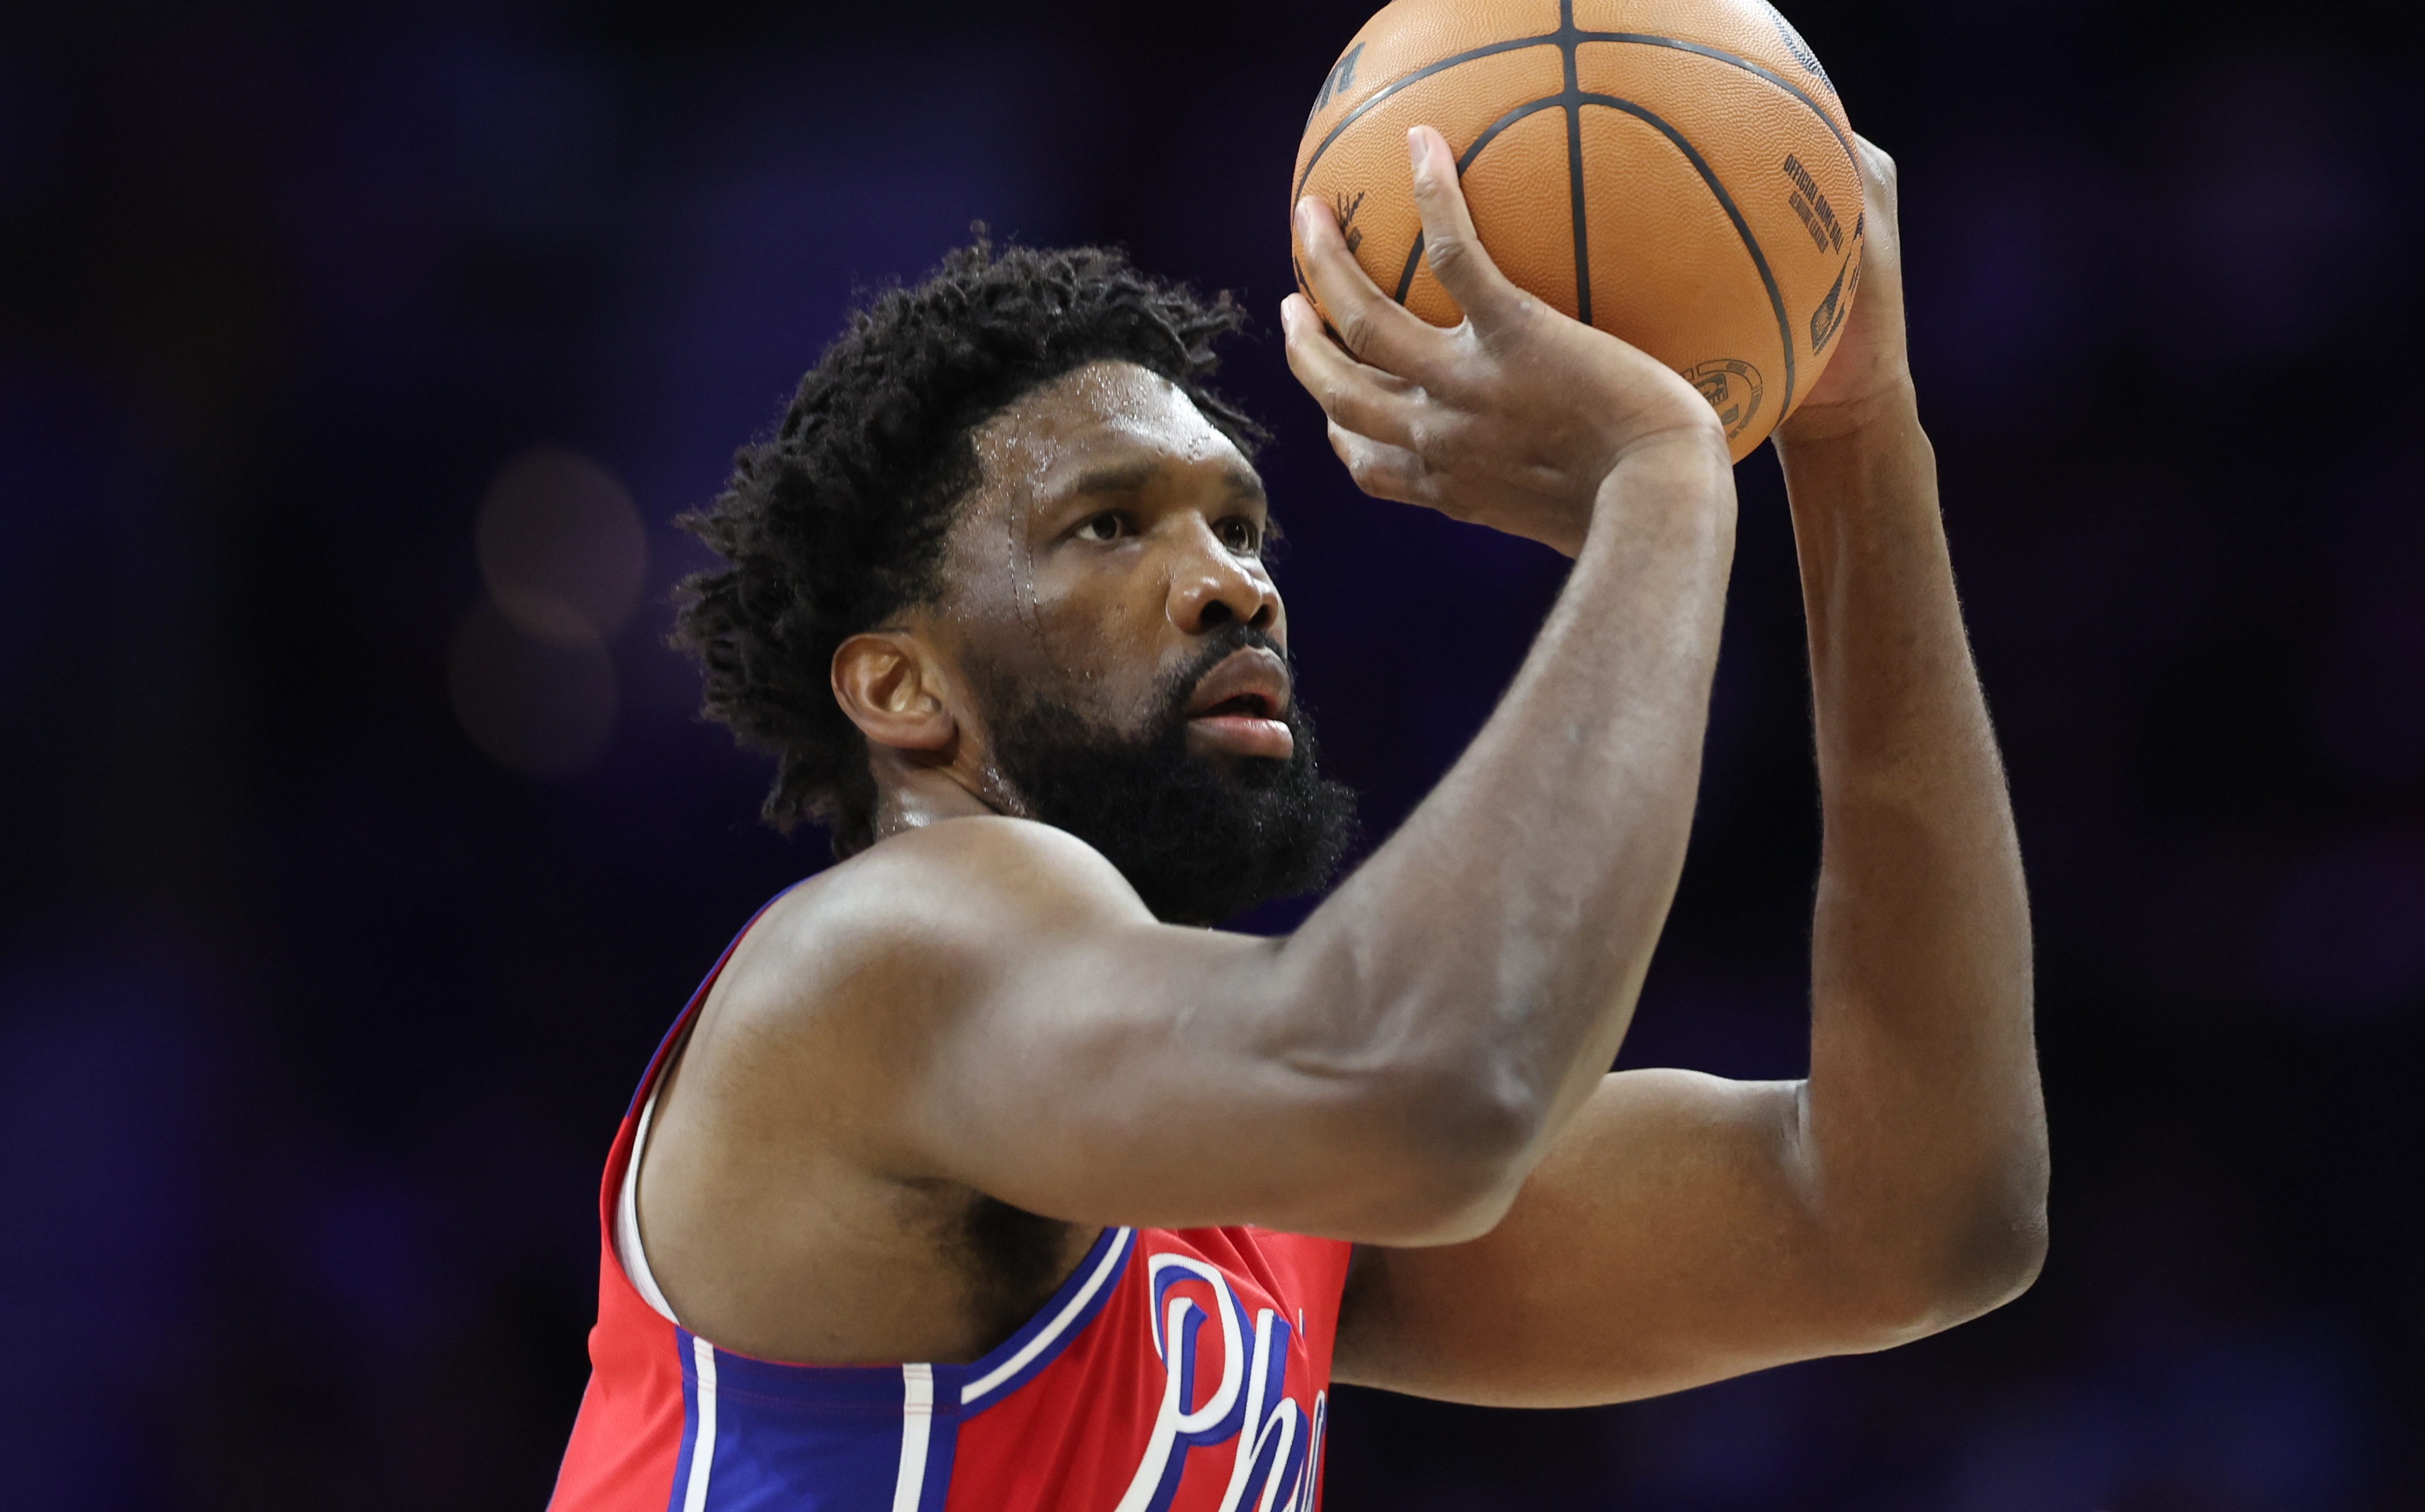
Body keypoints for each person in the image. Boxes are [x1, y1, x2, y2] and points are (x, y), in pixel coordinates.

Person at [546, 126, 2048, 1512]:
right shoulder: (887, 956)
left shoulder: (1245, 1165)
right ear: (900, 688)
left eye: (1241, 525)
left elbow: (1912, 1221)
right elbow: (1441, 1086)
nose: (1232, 584)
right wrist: (1658, 481)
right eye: (1108, 526)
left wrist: (1854, 441)